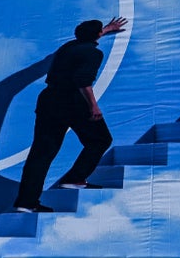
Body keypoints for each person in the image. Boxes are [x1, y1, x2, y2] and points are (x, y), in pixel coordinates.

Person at [14, 16, 128, 213]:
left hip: (49, 100)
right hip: (72, 101)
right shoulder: (94, 53)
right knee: (100, 139)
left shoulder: (68, 46)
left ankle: (26, 202)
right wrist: (93, 106)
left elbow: (87, 38)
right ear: (97, 35)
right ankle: (75, 178)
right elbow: (83, 81)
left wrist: (107, 29)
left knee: (41, 153)